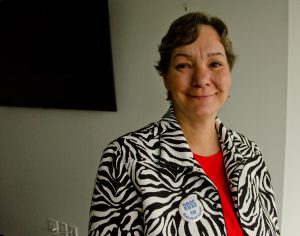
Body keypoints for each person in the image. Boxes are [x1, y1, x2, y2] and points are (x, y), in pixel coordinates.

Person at [89, 12, 280, 236]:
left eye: (215, 63)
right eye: (184, 65)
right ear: (165, 78)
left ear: (229, 73)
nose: (201, 78)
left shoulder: (250, 154)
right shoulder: (126, 157)